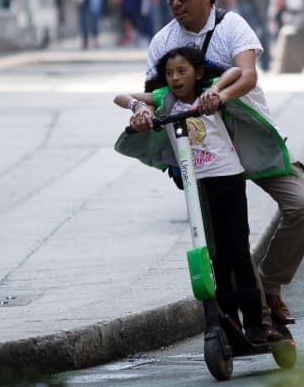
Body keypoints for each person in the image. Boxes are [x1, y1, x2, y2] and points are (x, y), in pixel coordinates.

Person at [141, 0, 304, 327]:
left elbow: (247, 75)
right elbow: (150, 95)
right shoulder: (162, 41)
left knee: (301, 204)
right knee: (226, 239)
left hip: (251, 135)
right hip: (205, 151)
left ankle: (271, 281)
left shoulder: (231, 25)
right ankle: (258, 320)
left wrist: (220, 95)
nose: (175, 3)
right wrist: (139, 113)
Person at [116, 48, 281, 344]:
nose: (175, 78)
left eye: (182, 71)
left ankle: (256, 324)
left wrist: (216, 92)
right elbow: (120, 96)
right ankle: (230, 325)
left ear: (199, 73)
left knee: (238, 252)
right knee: (216, 258)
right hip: (197, 186)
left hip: (228, 179)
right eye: (169, 73)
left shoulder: (208, 92)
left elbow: (237, 72)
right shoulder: (164, 98)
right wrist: (138, 109)